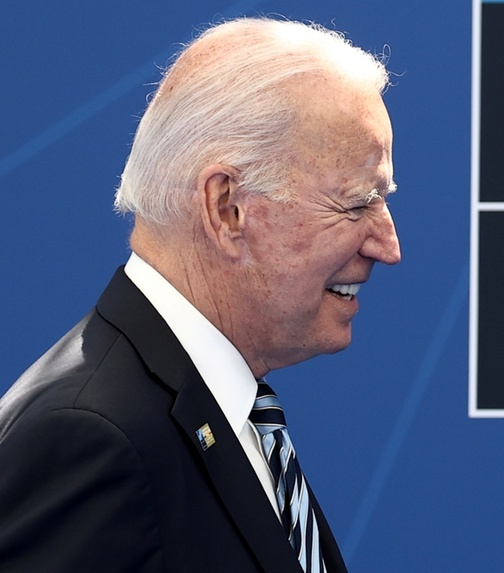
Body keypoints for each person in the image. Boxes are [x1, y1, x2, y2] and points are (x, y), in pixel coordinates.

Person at [0, 16, 400, 573]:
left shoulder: (223, 414)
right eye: (357, 204)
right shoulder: (92, 440)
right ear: (226, 208)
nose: (388, 246)